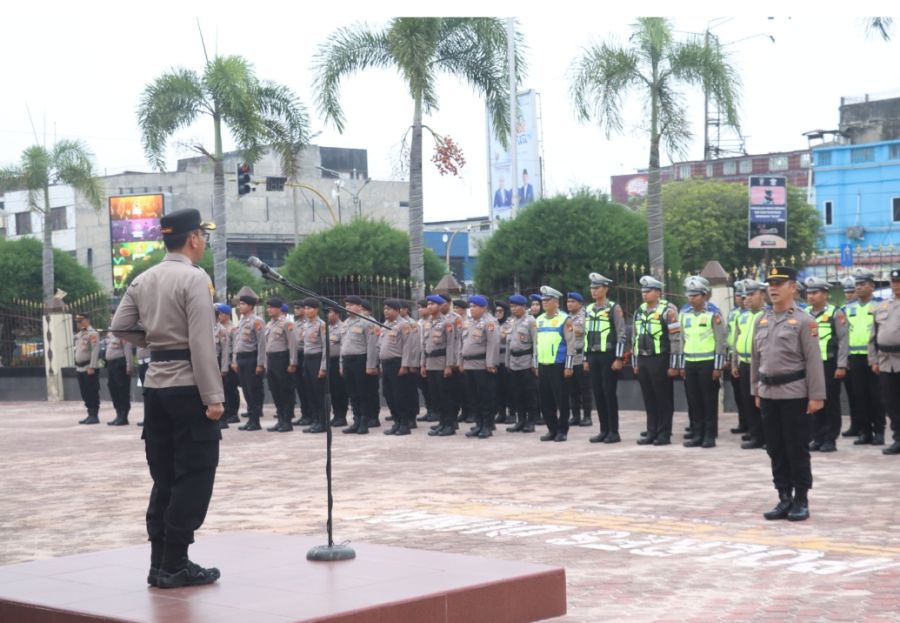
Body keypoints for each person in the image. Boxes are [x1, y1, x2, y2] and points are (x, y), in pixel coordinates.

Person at [110, 207, 223, 588]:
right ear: (192, 238)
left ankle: (160, 563)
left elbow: (120, 325)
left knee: (165, 475)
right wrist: (213, 397)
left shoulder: (143, 278)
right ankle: (175, 563)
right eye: (203, 236)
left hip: (156, 387)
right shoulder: (194, 278)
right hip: (189, 387)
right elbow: (201, 343)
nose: (204, 242)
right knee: (194, 474)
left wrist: (157, 344)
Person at [751, 266, 825, 522]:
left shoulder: (805, 321)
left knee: (796, 448)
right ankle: (783, 496)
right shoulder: (761, 320)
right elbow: (755, 359)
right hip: (768, 393)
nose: (773, 288)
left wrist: (816, 395)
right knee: (775, 448)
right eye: (770, 284)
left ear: (793, 287)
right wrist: (755, 389)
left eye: (779, 283)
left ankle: (801, 498)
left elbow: (814, 361)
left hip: (795, 394)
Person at [633, 276, 682, 446]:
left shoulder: (668, 310)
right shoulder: (639, 310)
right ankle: (651, 431)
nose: (645, 295)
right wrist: (635, 362)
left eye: (648, 291)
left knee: (663, 398)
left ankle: (664, 433)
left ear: (658, 292)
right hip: (644, 359)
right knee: (649, 398)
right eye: (643, 291)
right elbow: (635, 337)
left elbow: (675, 338)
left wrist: (674, 364)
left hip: (661, 359)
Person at [679, 277, 726, 448]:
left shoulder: (713, 314)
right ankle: (697, 434)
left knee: (708, 400)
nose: (691, 298)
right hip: (690, 362)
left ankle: (709, 435)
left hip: (708, 363)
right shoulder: (684, 315)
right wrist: (681, 364)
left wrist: (718, 366)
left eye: (695, 295)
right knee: (694, 400)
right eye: (690, 295)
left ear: (704, 295)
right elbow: (682, 340)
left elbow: (720, 340)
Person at [804, 277, 848, 453]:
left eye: (815, 293)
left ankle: (830, 438)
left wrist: (841, 365)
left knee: (830, 403)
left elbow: (844, 339)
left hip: (829, 364)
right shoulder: (804, 313)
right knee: (813, 402)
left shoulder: (835, 313)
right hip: (810, 366)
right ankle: (817, 437)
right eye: (808, 293)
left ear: (825, 294)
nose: (811, 297)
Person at [584, 273, 626, 444]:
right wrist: (586, 358)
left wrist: (619, 357)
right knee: (598, 393)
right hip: (593, 356)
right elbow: (585, 335)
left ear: (605, 289)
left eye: (597, 288)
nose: (594, 291)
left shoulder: (613, 308)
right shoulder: (588, 309)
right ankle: (603, 430)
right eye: (592, 288)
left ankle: (613, 431)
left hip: (608, 356)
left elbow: (621, 333)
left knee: (609, 393)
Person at [846, 269, 885, 446]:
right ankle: (865, 432)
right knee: (859, 395)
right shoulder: (848, 308)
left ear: (872, 286)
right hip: (855, 357)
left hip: (874, 357)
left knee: (875, 396)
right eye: (857, 285)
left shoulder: (880, 306)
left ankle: (879, 431)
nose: (859, 288)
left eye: (863, 284)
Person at [732, 280, 768, 449]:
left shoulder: (767, 315)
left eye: (752, 295)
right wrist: (734, 363)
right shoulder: (743, 316)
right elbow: (736, 340)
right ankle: (755, 435)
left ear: (762, 295)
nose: (747, 299)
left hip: (761, 364)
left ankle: (767, 436)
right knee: (747, 401)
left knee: (762, 402)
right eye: (746, 295)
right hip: (745, 363)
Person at [461, 295, 501, 438]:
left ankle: (487, 426)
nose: (471, 309)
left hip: (482, 365)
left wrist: (490, 363)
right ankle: (478, 424)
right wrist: (461, 362)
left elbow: (493, 344)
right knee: (473, 397)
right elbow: (463, 343)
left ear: (483, 308)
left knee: (485, 397)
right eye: (470, 306)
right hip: (469, 364)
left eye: (475, 306)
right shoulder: (469, 322)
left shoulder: (490, 322)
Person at [536, 286, 572, 442]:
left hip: (559, 364)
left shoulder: (565, 318)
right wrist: (535, 364)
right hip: (543, 364)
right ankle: (552, 429)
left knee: (561, 399)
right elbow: (536, 344)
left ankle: (562, 430)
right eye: (543, 300)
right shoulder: (539, 320)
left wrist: (569, 365)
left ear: (556, 301)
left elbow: (570, 343)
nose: (544, 303)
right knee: (545, 399)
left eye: (547, 300)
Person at [871, 269, 900, 455]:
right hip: (885, 361)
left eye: (899, 282)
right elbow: (873, 336)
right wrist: (873, 360)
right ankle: (898, 438)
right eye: (893, 281)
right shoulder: (882, 307)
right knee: (891, 402)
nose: (896, 285)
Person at [340, 296, 378, 435]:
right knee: (352, 393)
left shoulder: (367, 322)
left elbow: (372, 345)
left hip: (360, 360)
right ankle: (355, 421)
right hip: (347, 360)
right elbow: (343, 346)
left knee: (363, 393)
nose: (347, 307)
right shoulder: (346, 323)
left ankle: (364, 422)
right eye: (346, 305)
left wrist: (371, 365)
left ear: (359, 307)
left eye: (350, 305)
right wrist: (341, 364)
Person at [422, 294, 458, 436]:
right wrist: (423, 364)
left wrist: (449, 365)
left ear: (440, 305)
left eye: (432, 304)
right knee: (436, 396)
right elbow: (423, 345)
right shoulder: (427, 323)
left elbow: (451, 345)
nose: (429, 306)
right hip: (430, 363)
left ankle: (449, 425)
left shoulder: (447, 323)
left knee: (446, 396)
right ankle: (442, 423)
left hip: (442, 363)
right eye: (428, 304)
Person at [231, 288, 266, 431]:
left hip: (252, 358)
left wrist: (260, 363)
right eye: (240, 304)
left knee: (253, 390)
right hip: (241, 358)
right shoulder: (241, 321)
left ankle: (255, 420)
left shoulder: (257, 321)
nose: (240, 307)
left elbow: (261, 344)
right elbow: (237, 342)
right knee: (245, 389)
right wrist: (234, 360)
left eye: (243, 304)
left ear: (251, 306)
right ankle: (250, 419)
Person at [380, 299, 415, 436]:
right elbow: (380, 345)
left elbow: (408, 347)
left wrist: (405, 365)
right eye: (385, 309)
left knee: (399, 395)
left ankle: (404, 424)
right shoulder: (384, 325)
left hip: (397, 363)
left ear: (397, 310)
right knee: (388, 394)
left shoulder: (404, 325)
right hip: (386, 363)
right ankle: (396, 422)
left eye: (388, 309)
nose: (386, 311)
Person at [505, 294, 539, 433]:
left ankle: (531, 421)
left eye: (516, 306)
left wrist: (534, 363)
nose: (513, 309)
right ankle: (521, 420)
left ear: (524, 307)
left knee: (529, 393)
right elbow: (509, 343)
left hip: (526, 361)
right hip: (514, 361)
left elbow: (536, 343)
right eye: (511, 306)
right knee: (517, 393)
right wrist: (507, 361)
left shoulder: (530, 321)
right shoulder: (511, 321)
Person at [264, 297, 297, 433]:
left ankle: (287, 421)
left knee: (285, 391)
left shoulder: (286, 323)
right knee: (275, 391)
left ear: (278, 309)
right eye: (268, 307)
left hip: (282, 359)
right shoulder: (269, 324)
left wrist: (292, 362)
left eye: (272, 307)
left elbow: (292, 344)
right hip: (271, 359)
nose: (269, 309)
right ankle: (280, 419)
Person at [565, 292, 593, 428]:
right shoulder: (566, 317)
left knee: (585, 388)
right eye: (568, 301)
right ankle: (575, 415)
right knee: (572, 389)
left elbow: (579, 330)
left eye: (572, 301)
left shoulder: (584, 316)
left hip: (581, 357)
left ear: (580, 303)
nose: (569, 304)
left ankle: (587, 416)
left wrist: (567, 329)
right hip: (570, 357)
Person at [300, 298, 327, 433]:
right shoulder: (306, 325)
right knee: (310, 392)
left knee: (318, 393)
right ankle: (315, 420)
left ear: (316, 310)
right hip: (307, 359)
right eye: (305, 308)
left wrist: (323, 367)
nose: (306, 311)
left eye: (309, 308)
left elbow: (325, 347)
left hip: (317, 360)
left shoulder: (321, 325)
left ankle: (323, 422)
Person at [727, 282, 748, 436]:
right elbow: (729, 336)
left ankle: (753, 425)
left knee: (750, 395)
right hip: (734, 357)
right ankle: (743, 422)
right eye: (738, 295)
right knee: (739, 394)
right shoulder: (733, 313)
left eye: (743, 296)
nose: (740, 298)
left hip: (749, 360)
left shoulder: (757, 313)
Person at [215, 304, 241, 427]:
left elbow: (234, 346)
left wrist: (233, 362)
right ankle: (227, 413)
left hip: (228, 360)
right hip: (220, 360)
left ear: (227, 315)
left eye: (221, 314)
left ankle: (232, 413)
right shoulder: (216, 328)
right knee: (224, 389)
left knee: (230, 389)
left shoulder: (231, 329)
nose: (219, 316)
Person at [73, 312, 101, 425]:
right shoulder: (80, 334)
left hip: (88, 367)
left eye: (80, 321)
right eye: (77, 322)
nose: (78, 324)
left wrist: (92, 366)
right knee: (84, 392)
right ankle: (89, 413)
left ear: (87, 321)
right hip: (80, 368)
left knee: (92, 391)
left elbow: (95, 350)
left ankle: (94, 415)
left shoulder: (93, 333)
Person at [840, 276, 859, 438]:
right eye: (846, 292)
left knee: (869, 396)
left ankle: (872, 426)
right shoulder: (842, 310)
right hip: (849, 358)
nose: (849, 295)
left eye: (851, 291)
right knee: (852, 394)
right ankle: (855, 425)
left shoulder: (872, 307)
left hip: (865, 357)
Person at [325, 306, 349, 427]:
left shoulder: (343, 327)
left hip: (338, 361)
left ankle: (342, 416)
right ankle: (336, 415)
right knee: (332, 390)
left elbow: (343, 346)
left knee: (340, 390)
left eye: (330, 312)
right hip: (329, 361)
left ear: (337, 314)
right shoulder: (328, 328)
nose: (328, 315)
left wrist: (341, 364)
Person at [104, 332, 134, 426]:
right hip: (111, 365)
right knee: (113, 388)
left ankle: (124, 416)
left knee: (122, 389)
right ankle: (118, 414)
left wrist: (129, 366)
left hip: (120, 364)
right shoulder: (111, 335)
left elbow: (128, 350)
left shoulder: (124, 334)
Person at [494, 301, 513, 425]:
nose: (498, 314)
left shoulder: (510, 323)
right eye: (496, 311)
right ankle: (501, 413)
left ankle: (511, 414)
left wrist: (499, 334)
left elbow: (506, 337)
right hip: (496, 360)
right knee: (498, 389)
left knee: (509, 389)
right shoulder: (494, 323)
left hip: (507, 359)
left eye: (500, 311)